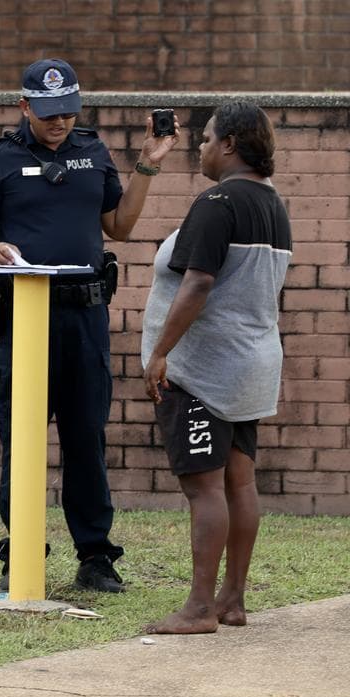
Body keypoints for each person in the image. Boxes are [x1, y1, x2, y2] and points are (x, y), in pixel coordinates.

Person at [0, 58, 179, 593]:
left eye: (66, 112)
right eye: (47, 112)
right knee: (22, 437)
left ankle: (95, 557)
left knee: (86, 438)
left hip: (85, 317)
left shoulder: (93, 151)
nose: (58, 122)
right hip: (25, 316)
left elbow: (120, 227)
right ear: (24, 106)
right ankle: (24, 551)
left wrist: (147, 165)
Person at [141, 101, 291, 633]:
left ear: (228, 144)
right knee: (239, 484)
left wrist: (160, 353)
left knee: (205, 489)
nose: (200, 147)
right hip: (252, 363)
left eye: (206, 138)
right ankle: (231, 600)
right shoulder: (273, 205)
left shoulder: (218, 201)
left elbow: (199, 282)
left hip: (206, 371)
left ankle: (200, 607)